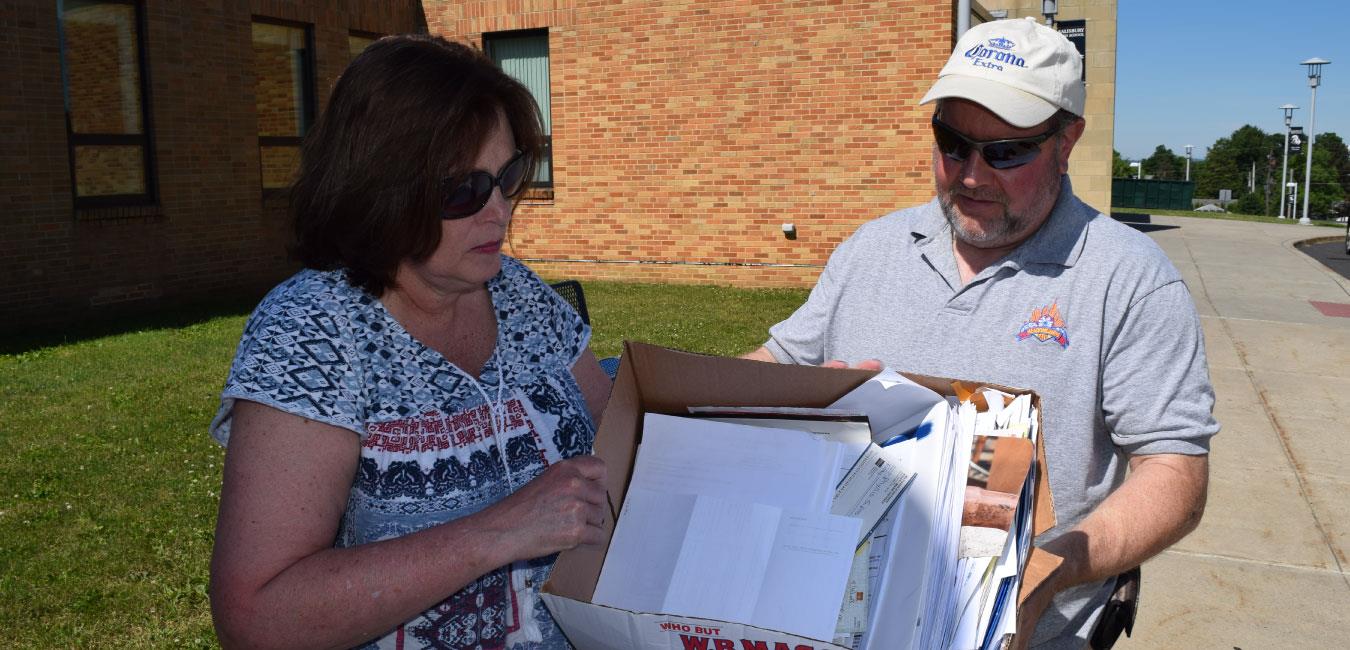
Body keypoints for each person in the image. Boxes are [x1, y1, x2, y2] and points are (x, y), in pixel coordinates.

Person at [744, 18, 1217, 650]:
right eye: (952, 142)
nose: (970, 175)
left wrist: (1052, 570)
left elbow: (1174, 474)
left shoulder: (1128, 281)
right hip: (835, 612)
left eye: (1005, 152)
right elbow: (776, 363)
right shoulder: (873, 249)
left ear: (1067, 140)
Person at [208, 35, 612, 650]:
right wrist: (500, 531)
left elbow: (620, 435)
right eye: (463, 192)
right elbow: (256, 616)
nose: (500, 212)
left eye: (507, 176)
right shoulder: (315, 330)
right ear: (381, 190)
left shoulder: (517, 294)